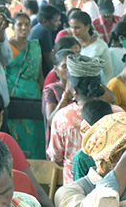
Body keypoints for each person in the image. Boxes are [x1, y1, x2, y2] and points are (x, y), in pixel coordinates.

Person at [48, 54, 120, 184]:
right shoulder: (118, 114)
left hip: (74, 188)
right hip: (113, 185)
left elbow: (56, 158)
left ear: (73, 90)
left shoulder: (61, 117)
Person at [5, 12, 46, 158]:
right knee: (18, 133)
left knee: (35, 133)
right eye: (20, 24)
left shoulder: (35, 46)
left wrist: (44, 96)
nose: (24, 27)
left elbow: (39, 74)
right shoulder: (7, 47)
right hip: (14, 96)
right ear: (13, 27)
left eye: (27, 24)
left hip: (34, 96)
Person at [68, 9, 112, 82]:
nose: (73, 31)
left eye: (77, 28)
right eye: (71, 27)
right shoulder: (71, 46)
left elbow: (108, 73)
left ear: (87, 27)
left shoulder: (100, 46)